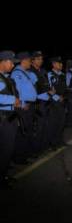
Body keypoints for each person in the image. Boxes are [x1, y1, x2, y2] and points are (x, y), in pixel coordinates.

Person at [11, 52, 38, 163]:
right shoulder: (17, 74)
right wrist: (22, 104)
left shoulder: (25, 73)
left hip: (29, 106)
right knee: (22, 133)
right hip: (23, 107)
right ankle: (19, 157)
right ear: (23, 61)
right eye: (29, 61)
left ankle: (26, 153)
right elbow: (15, 92)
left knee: (28, 131)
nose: (31, 63)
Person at [0, 51, 20, 189]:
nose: (13, 65)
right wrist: (13, 100)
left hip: (8, 117)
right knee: (5, 149)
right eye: (11, 62)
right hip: (3, 119)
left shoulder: (4, 77)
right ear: (3, 61)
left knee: (6, 149)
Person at [30, 51, 54, 153]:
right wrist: (48, 94)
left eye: (41, 59)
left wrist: (50, 90)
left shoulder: (43, 71)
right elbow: (33, 91)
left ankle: (43, 147)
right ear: (32, 60)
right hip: (38, 103)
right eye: (38, 59)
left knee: (46, 126)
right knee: (38, 128)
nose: (41, 61)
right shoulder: (30, 72)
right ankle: (35, 150)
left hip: (47, 101)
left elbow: (47, 85)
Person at [47, 56, 68, 149]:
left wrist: (64, 97)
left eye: (61, 63)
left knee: (62, 122)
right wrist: (57, 97)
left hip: (62, 101)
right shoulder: (49, 74)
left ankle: (60, 140)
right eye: (59, 63)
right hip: (53, 102)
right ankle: (53, 143)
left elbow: (64, 88)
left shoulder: (62, 75)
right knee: (54, 123)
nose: (61, 65)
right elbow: (48, 89)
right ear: (54, 64)